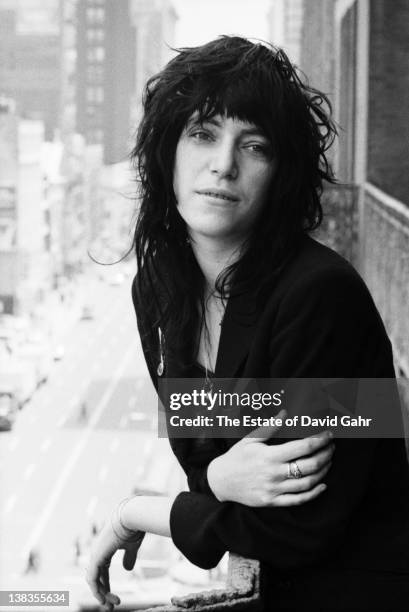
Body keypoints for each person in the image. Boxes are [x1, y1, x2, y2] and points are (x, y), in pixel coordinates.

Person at [86, 36, 409, 611]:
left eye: (254, 145)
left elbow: (300, 523)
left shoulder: (320, 296)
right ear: (168, 151)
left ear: (280, 172)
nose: (223, 164)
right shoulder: (160, 288)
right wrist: (220, 480)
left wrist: (137, 511)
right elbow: (203, 463)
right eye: (203, 134)